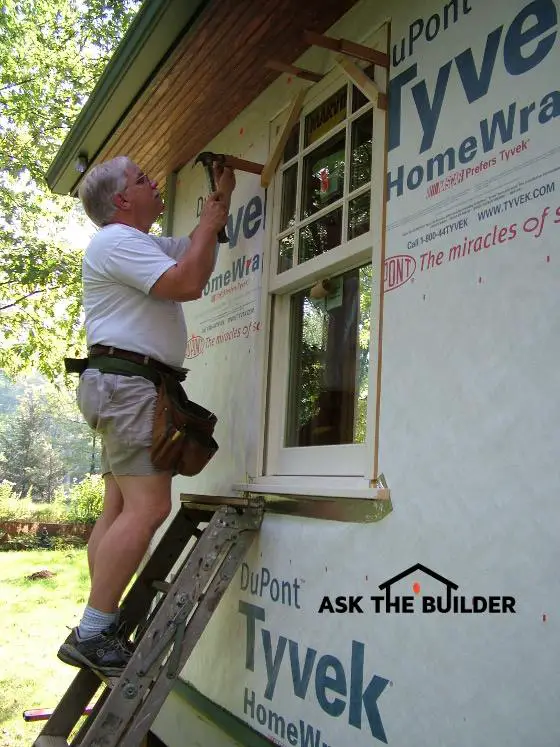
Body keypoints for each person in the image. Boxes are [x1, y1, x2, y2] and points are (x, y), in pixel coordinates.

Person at [57, 155, 235, 676]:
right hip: (129, 387)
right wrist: (207, 220)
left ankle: (98, 624)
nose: (153, 183)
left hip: (120, 386)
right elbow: (186, 281)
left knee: (118, 508)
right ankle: (93, 631)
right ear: (121, 201)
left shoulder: (138, 242)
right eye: (141, 180)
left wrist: (217, 204)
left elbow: (197, 252)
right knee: (149, 508)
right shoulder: (116, 240)